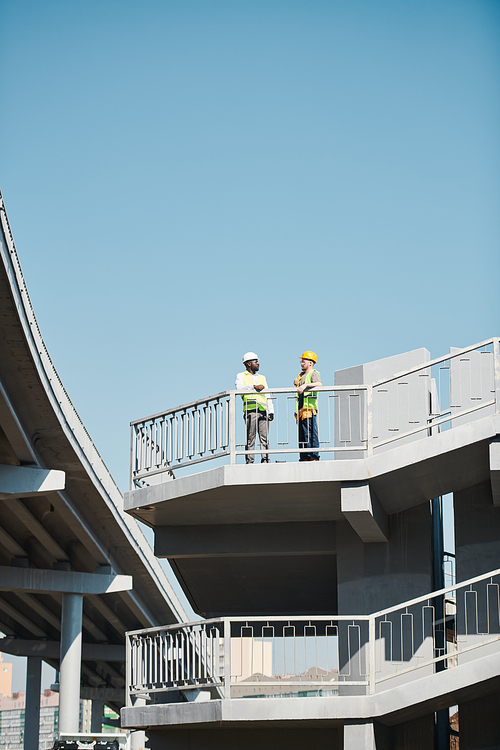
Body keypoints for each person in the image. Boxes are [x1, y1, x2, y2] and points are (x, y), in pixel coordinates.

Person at [235, 352, 274, 463]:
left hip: (263, 411)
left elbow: (268, 394)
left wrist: (271, 410)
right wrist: (253, 387)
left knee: (264, 438)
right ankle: (250, 461)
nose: (258, 364)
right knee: (250, 438)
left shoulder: (262, 377)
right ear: (248, 363)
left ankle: (265, 459)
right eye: (255, 361)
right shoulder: (241, 376)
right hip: (250, 411)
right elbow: (239, 389)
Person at [294, 351, 322, 461]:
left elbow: (319, 384)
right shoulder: (301, 376)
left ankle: (313, 455)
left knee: (311, 432)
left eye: (303, 361)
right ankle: (304, 456)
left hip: (309, 408)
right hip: (301, 409)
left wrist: (305, 385)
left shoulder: (314, 373)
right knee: (302, 434)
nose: (301, 363)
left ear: (310, 363)